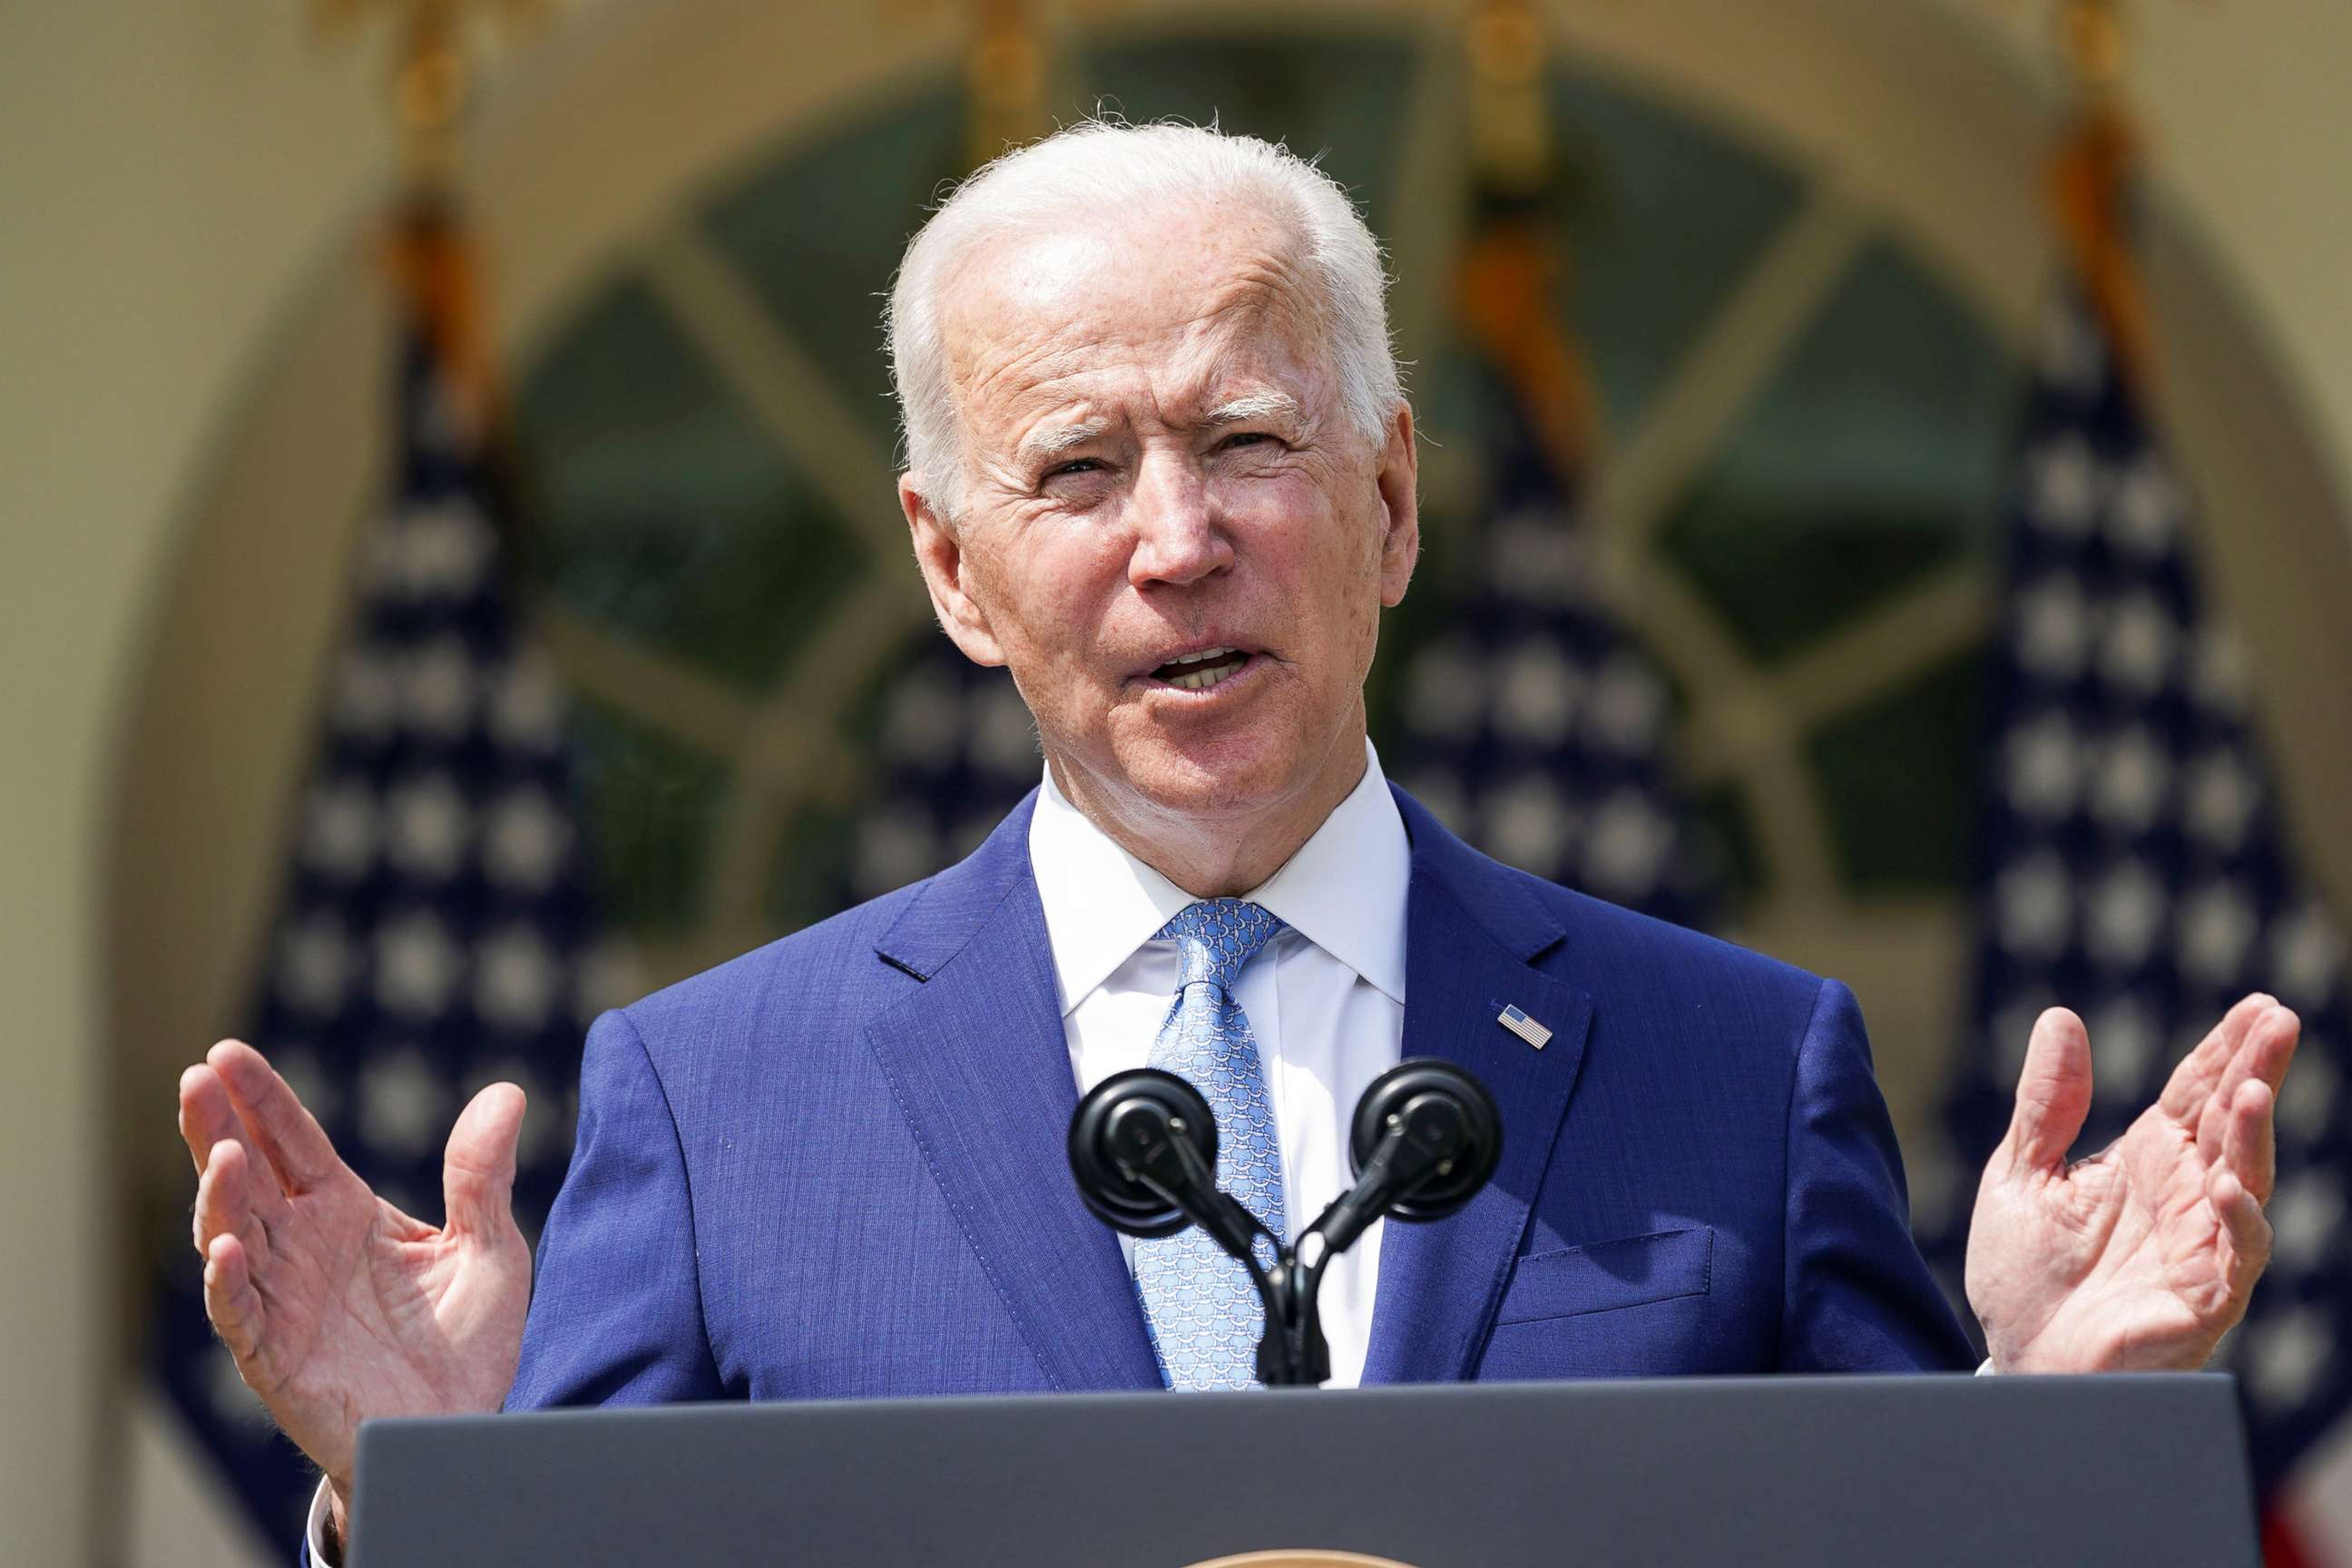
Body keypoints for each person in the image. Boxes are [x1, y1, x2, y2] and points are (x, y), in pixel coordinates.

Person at [175, 122, 2298, 1561]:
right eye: (1077, 469)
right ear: (951, 570)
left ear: (1388, 503)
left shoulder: (1742, 1074)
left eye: (1249, 443)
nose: (1177, 544)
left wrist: (2040, 1419)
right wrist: (439, 1506)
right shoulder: (725, 1110)